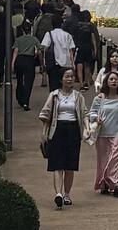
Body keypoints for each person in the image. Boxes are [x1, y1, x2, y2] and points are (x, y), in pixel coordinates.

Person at [39, 67, 86, 209]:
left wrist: (87, 128)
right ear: (61, 79)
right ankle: (58, 194)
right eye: (67, 76)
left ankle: (67, 194)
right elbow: (46, 114)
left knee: (70, 165)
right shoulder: (54, 95)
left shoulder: (78, 96)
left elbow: (84, 113)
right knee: (57, 164)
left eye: (72, 76)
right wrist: (44, 133)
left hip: (73, 130)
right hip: (57, 129)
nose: (70, 79)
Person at [89, 70, 118, 196]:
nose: (114, 81)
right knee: (103, 159)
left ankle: (116, 184)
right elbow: (91, 113)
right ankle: (104, 183)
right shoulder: (99, 99)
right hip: (102, 133)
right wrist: (95, 118)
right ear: (107, 82)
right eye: (111, 79)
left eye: (116, 80)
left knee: (114, 158)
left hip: (116, 133)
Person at [12, 23, 42, 111]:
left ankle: (19, 97)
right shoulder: (34, 39)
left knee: (20, 80)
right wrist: (41, 64)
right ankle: (25, 102)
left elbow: (15, 52)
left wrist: (13, 64)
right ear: (30, 30)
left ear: (22, 30)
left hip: (19, 60)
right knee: (28, 82)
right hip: (29, 60)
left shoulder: (18, 39)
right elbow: (39, 51)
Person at [42, 19, 77, 93]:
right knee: (65, 85)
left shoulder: (48, 34)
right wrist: (72, 63)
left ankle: (54, 101)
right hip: (66, 64)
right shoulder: (67, 35)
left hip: (53, 64)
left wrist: (44, 61)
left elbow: (45, 48)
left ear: (52, 25)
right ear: (62, 25)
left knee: (53, 85)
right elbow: (71, 50)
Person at [75, 9, 100, 89]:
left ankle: (81, 83)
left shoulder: (78, 25)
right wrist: (95, 49)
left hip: (79, 47)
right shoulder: (91, 25)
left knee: (79, 65)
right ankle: (86, 81)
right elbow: (93, 38)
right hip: (88, 47)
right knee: (87, 65)